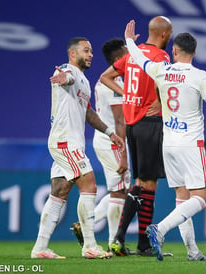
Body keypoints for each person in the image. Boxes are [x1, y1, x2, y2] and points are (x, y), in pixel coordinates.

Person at [124, 20, 206, 261]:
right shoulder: (200, 76)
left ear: (174, 50)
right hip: (191, 144)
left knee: (182, 198)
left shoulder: (162, 69)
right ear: (195, 52)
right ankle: (159, 229)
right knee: (200, 198)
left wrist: (130, 40)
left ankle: (192, 251)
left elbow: (140, 59)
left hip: (168, 144)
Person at [31, 37, 124, 259]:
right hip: (65, 142)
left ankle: (40, 248)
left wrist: (110, 133)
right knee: (89, 184)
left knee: (59, 192)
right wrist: (62, 78)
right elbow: (64, 78)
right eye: (86, 50)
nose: (91, 54)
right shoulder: (68, 70)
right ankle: (90, 245)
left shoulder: (84, 80)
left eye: (91, 51)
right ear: (73, 53)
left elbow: (89, 113)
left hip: (69, 142)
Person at [99, 16, 173, 256]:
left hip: (133, 125)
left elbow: (105, 77)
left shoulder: (132, 54)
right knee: (148, 184)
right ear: (164, 34)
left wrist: (128, 94)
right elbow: (165, 83)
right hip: (149, 123)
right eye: (169, 34)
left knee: (140, 183)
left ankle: (130, 242)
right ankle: (130, 241)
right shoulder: (161, 56)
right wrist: (161, 103)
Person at [70, 38, 132, 252]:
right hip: (112, 141)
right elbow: (119, 120)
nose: (130, 56)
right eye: (127, 53)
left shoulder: (107, 81)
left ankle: (90, 225)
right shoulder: (114, 84)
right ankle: (114, 242)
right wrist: (123, 153)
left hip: (108, 141)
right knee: (119, 191)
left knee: (122, 189)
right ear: (118, 59)